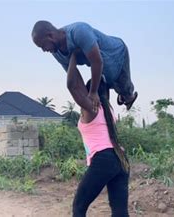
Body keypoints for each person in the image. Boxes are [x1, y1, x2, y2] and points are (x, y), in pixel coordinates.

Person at [67, 51, 130, 217]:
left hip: (104, 159)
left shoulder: (91, 109)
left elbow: (72, 85)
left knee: (79, 207)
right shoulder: (108, 110)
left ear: (88, 94)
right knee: (120, 212)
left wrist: (71, 56)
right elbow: (102, 86)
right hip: (121, 159)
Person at [31, 20, 138, 113]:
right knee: (103, 85)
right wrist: (87, 102)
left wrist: (93, 92)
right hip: (103, 68)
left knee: (123, 87)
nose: (44, 50)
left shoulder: (79, 31)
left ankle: (129, 97)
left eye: (43, 45)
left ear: (50, 36)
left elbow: (97, 62)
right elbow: (75, 80)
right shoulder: (56, 52)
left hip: (117, 53)